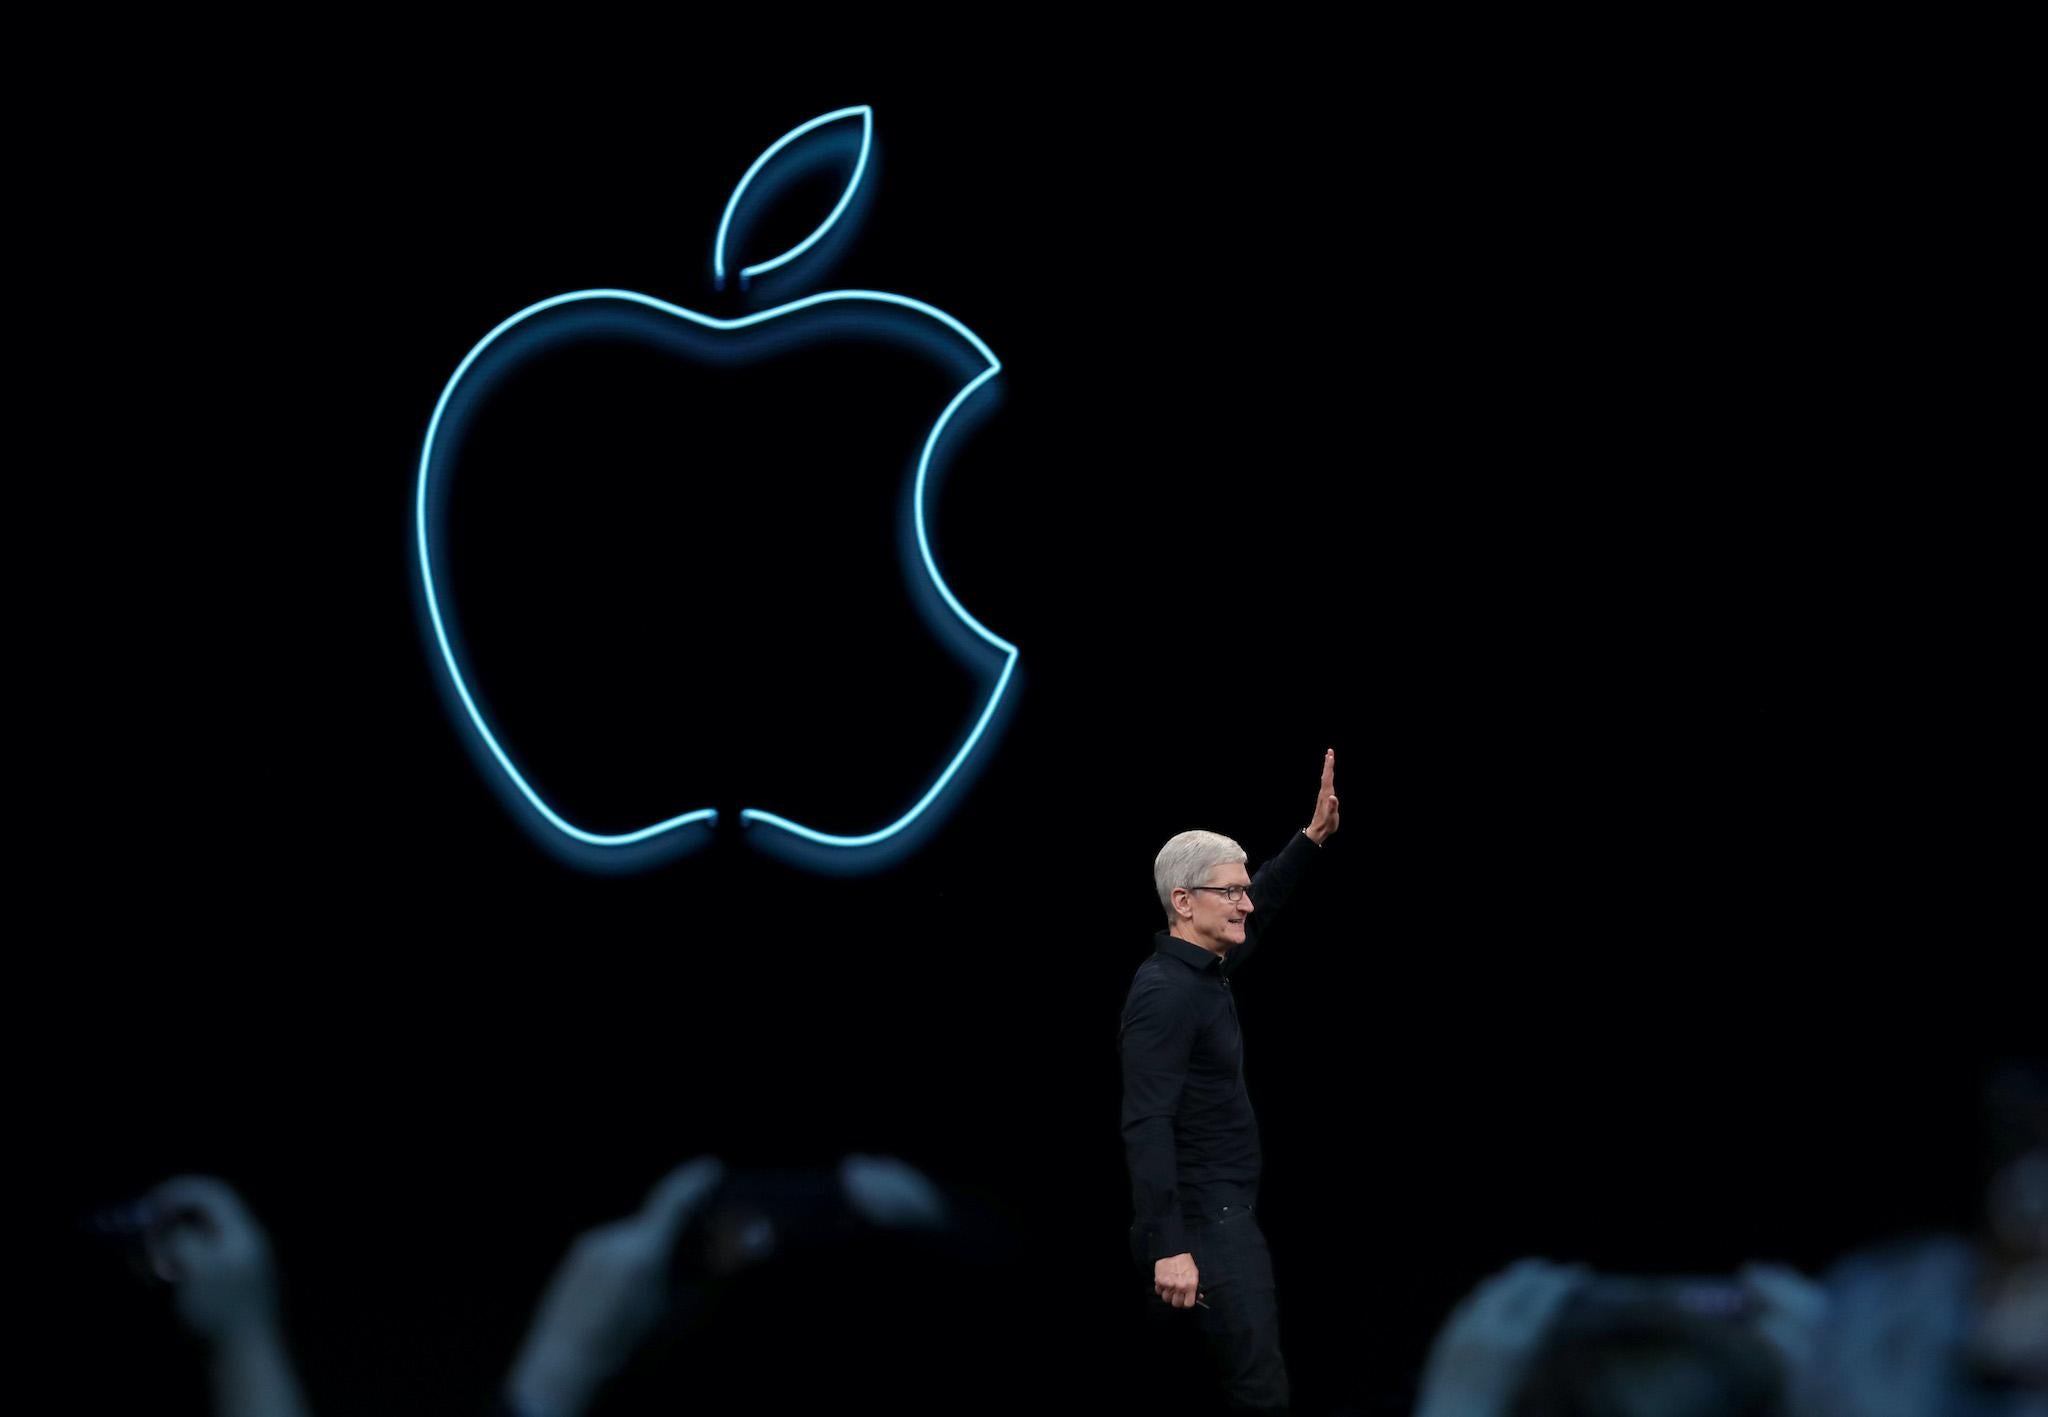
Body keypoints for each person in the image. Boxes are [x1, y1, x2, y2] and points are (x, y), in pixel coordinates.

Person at [1121, 748, 1340, 1414]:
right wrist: (1171, 1246)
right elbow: (1147, 1118)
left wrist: (1308, 840)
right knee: (1258, 1390)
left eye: (1245, 887)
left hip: (1207, 1221)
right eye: (1231, 890)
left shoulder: (1201, 969)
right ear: (1182, 902)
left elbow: (1263, 908)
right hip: (1201, 1228)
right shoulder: (1166, 994)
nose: (1246, 900)